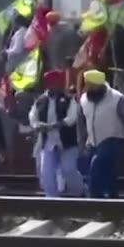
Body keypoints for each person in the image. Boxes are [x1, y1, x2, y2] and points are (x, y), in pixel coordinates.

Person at [78, 69, 124, 198]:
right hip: (93, 143)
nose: (87, 88)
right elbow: (81, 121)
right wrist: (81, 142)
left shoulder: (117, 98)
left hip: (115, 140)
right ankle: (113, 204)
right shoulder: (84, 99)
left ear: (98, 85)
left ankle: (94, 201)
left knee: (96, 167)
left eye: (90, 85)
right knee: (109, 176)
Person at [30, 69, 86, 198]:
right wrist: (37, 125)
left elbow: (72, 118)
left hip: (67, 143)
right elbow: (33, 116)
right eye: (51, 84)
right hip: (48, 142)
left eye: (56, 84)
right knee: (46, 173)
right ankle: (51, 200)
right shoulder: (40, 100)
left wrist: (57, 125)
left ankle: (80, 193)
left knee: (68, 170)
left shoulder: (68, 100)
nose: (53, 87)